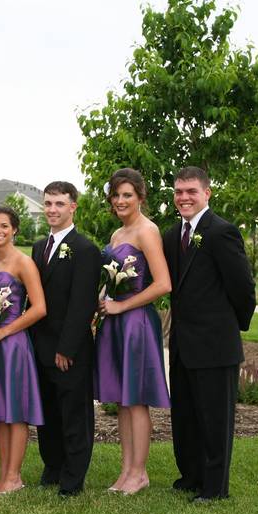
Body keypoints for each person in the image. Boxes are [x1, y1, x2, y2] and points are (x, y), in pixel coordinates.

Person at [163, 166, 255, 502]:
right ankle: (191, 475)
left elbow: (243, 288)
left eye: (191, 191)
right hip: (184, 344)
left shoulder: (222, 232)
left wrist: (231, 327)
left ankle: (215, 488)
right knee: (186, 415)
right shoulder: (174, 235)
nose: (184, 198)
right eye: (178, 192)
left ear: (207, 193)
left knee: (215, 420)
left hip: (216, 344)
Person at [93, 169, 171, 496]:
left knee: (136, 400)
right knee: (123, 401)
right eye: (116, 195)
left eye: (127, 194)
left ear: (140, 196)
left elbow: (163, 284)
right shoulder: (116, 235)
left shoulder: (147, 231)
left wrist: (122, 307)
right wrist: (104, 300)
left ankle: (140, 472)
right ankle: (126, 470)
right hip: (115, 322)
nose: (121, 200)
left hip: (136, 322)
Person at [31, 181, 101, 497]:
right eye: (48, 203)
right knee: (47, 412)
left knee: (74, 413)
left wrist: (66, 348)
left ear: (73, 206)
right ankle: (53, 466)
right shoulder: (38, 247)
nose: (52, 210)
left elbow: (82, 303)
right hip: (40, 344)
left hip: (68, 347)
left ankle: (73, 477)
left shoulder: (86, 250)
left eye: (59, 204)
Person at [0, 206, 46, 493]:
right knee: (0, 409)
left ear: (15, 229)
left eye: (4, 226)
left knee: (15, 410)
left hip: (13, 343)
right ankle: (4, 474)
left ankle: (14, 476)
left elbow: (40, 308)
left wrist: (4, 330)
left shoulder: (23, 263)